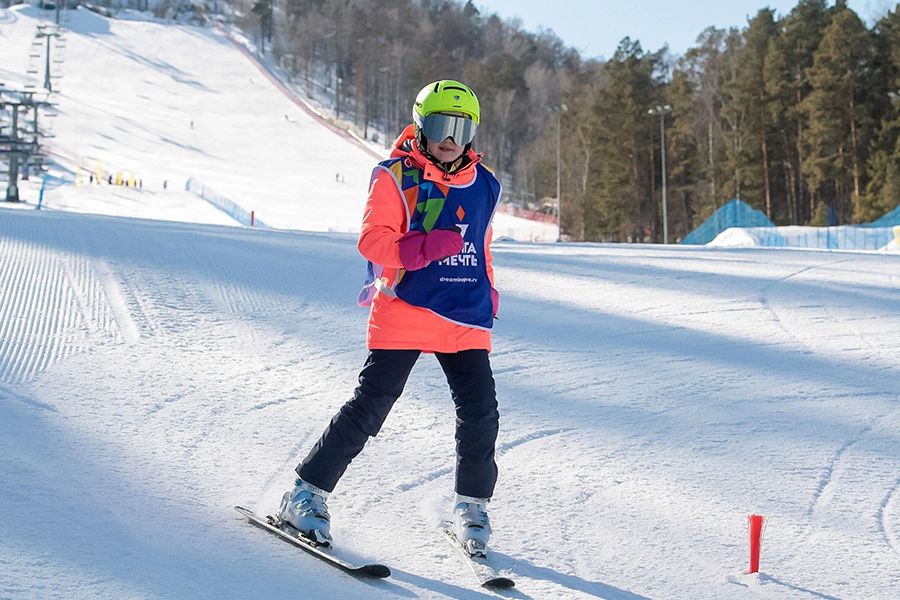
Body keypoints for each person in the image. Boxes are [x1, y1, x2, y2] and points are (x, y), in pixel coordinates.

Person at [276, 80, 503, 558]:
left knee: (481, 413)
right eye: (441, 126)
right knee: (372, 405)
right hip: (406, 307)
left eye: (462, 129)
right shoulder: (394, 176)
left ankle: (472, 508)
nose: (450, 139)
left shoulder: (485, 184)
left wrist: (490, 290)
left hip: (465, 314)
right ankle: (305, 495)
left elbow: (480, 244)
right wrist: (420, 248)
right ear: (421, 126)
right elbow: (372, 242)